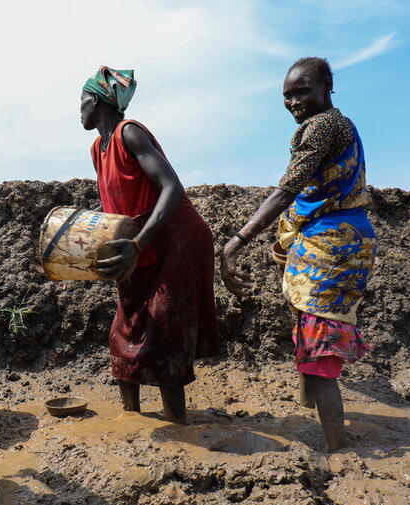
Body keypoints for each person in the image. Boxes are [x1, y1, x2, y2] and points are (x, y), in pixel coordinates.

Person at [220, 57, 375, 452]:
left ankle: (338, 451)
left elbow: (287, 189)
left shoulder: (324, 127)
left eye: (302, 91)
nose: (293, 102)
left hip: (332, 245)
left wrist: (237, 241)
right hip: (331, 240)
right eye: (287, 95)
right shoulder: (336, 126)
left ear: (327, 86)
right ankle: (312, 412)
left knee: (320, 352)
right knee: (309, 329)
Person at [80, 66, 220, 424]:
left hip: (176, 239)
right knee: (124, 330)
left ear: (96, 101)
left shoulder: (130, 134)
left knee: (163, 332)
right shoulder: (98, 147)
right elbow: (118, 204)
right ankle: (134, 422)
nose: (79, 109)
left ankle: (179, 426)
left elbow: (172, 189)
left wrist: (137, 245)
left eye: (82, 101)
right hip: (140, 240)